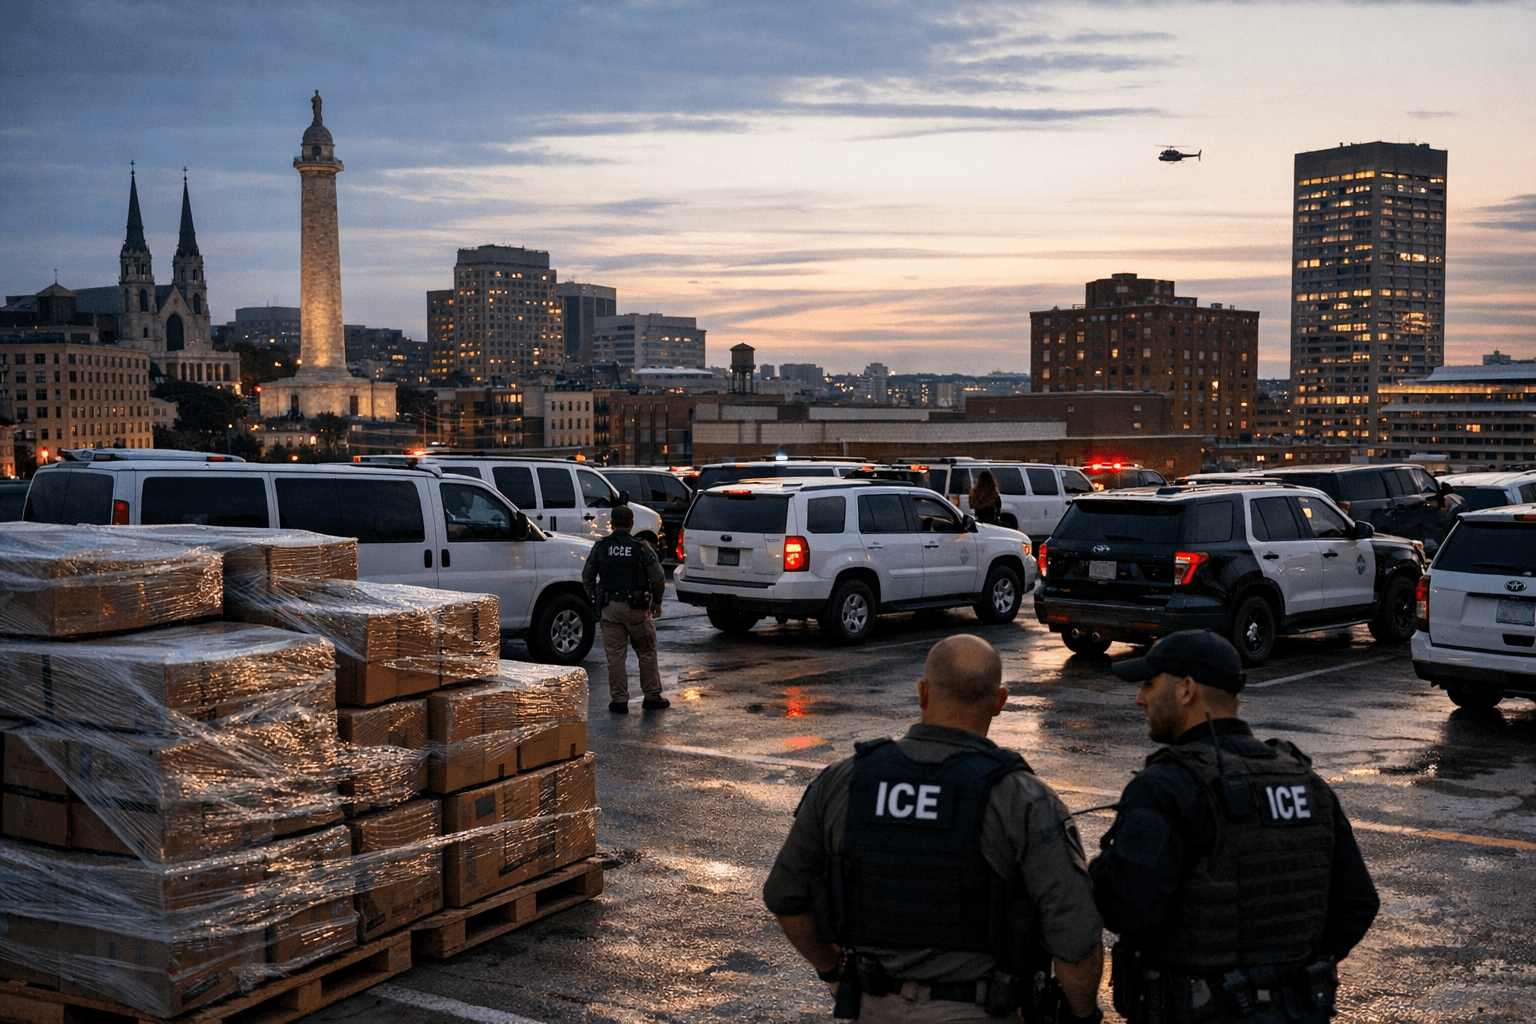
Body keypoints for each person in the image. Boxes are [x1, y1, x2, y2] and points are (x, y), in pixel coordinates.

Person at [764, 635, 1105, 1022]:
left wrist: (833, 972)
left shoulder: (845, 780)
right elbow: (1077, 940)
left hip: (872, 1008)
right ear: (1000, 701)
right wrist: (1083, 1015)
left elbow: (783, 896)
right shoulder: (1022, 798)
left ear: (923, 693)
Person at [1090, 630, 1380, 1024]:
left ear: (1187, 690)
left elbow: (1126, 906)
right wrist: (1293, 969)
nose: (1140, 698)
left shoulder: (1168, 786)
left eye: (1148, 683)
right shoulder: (1303, 781)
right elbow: (1357, 902)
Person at [581, 504, 668, 714]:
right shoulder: (641, 547)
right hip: (637, 609)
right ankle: (652, 696)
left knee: (615, 656)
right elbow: (658, 577)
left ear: (612, 524)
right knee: (646, 652)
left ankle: (619, 701)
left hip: (610, 608)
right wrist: (656, 601)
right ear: (631, 524)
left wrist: (595, 598)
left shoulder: (601, 547)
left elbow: (587, 577)